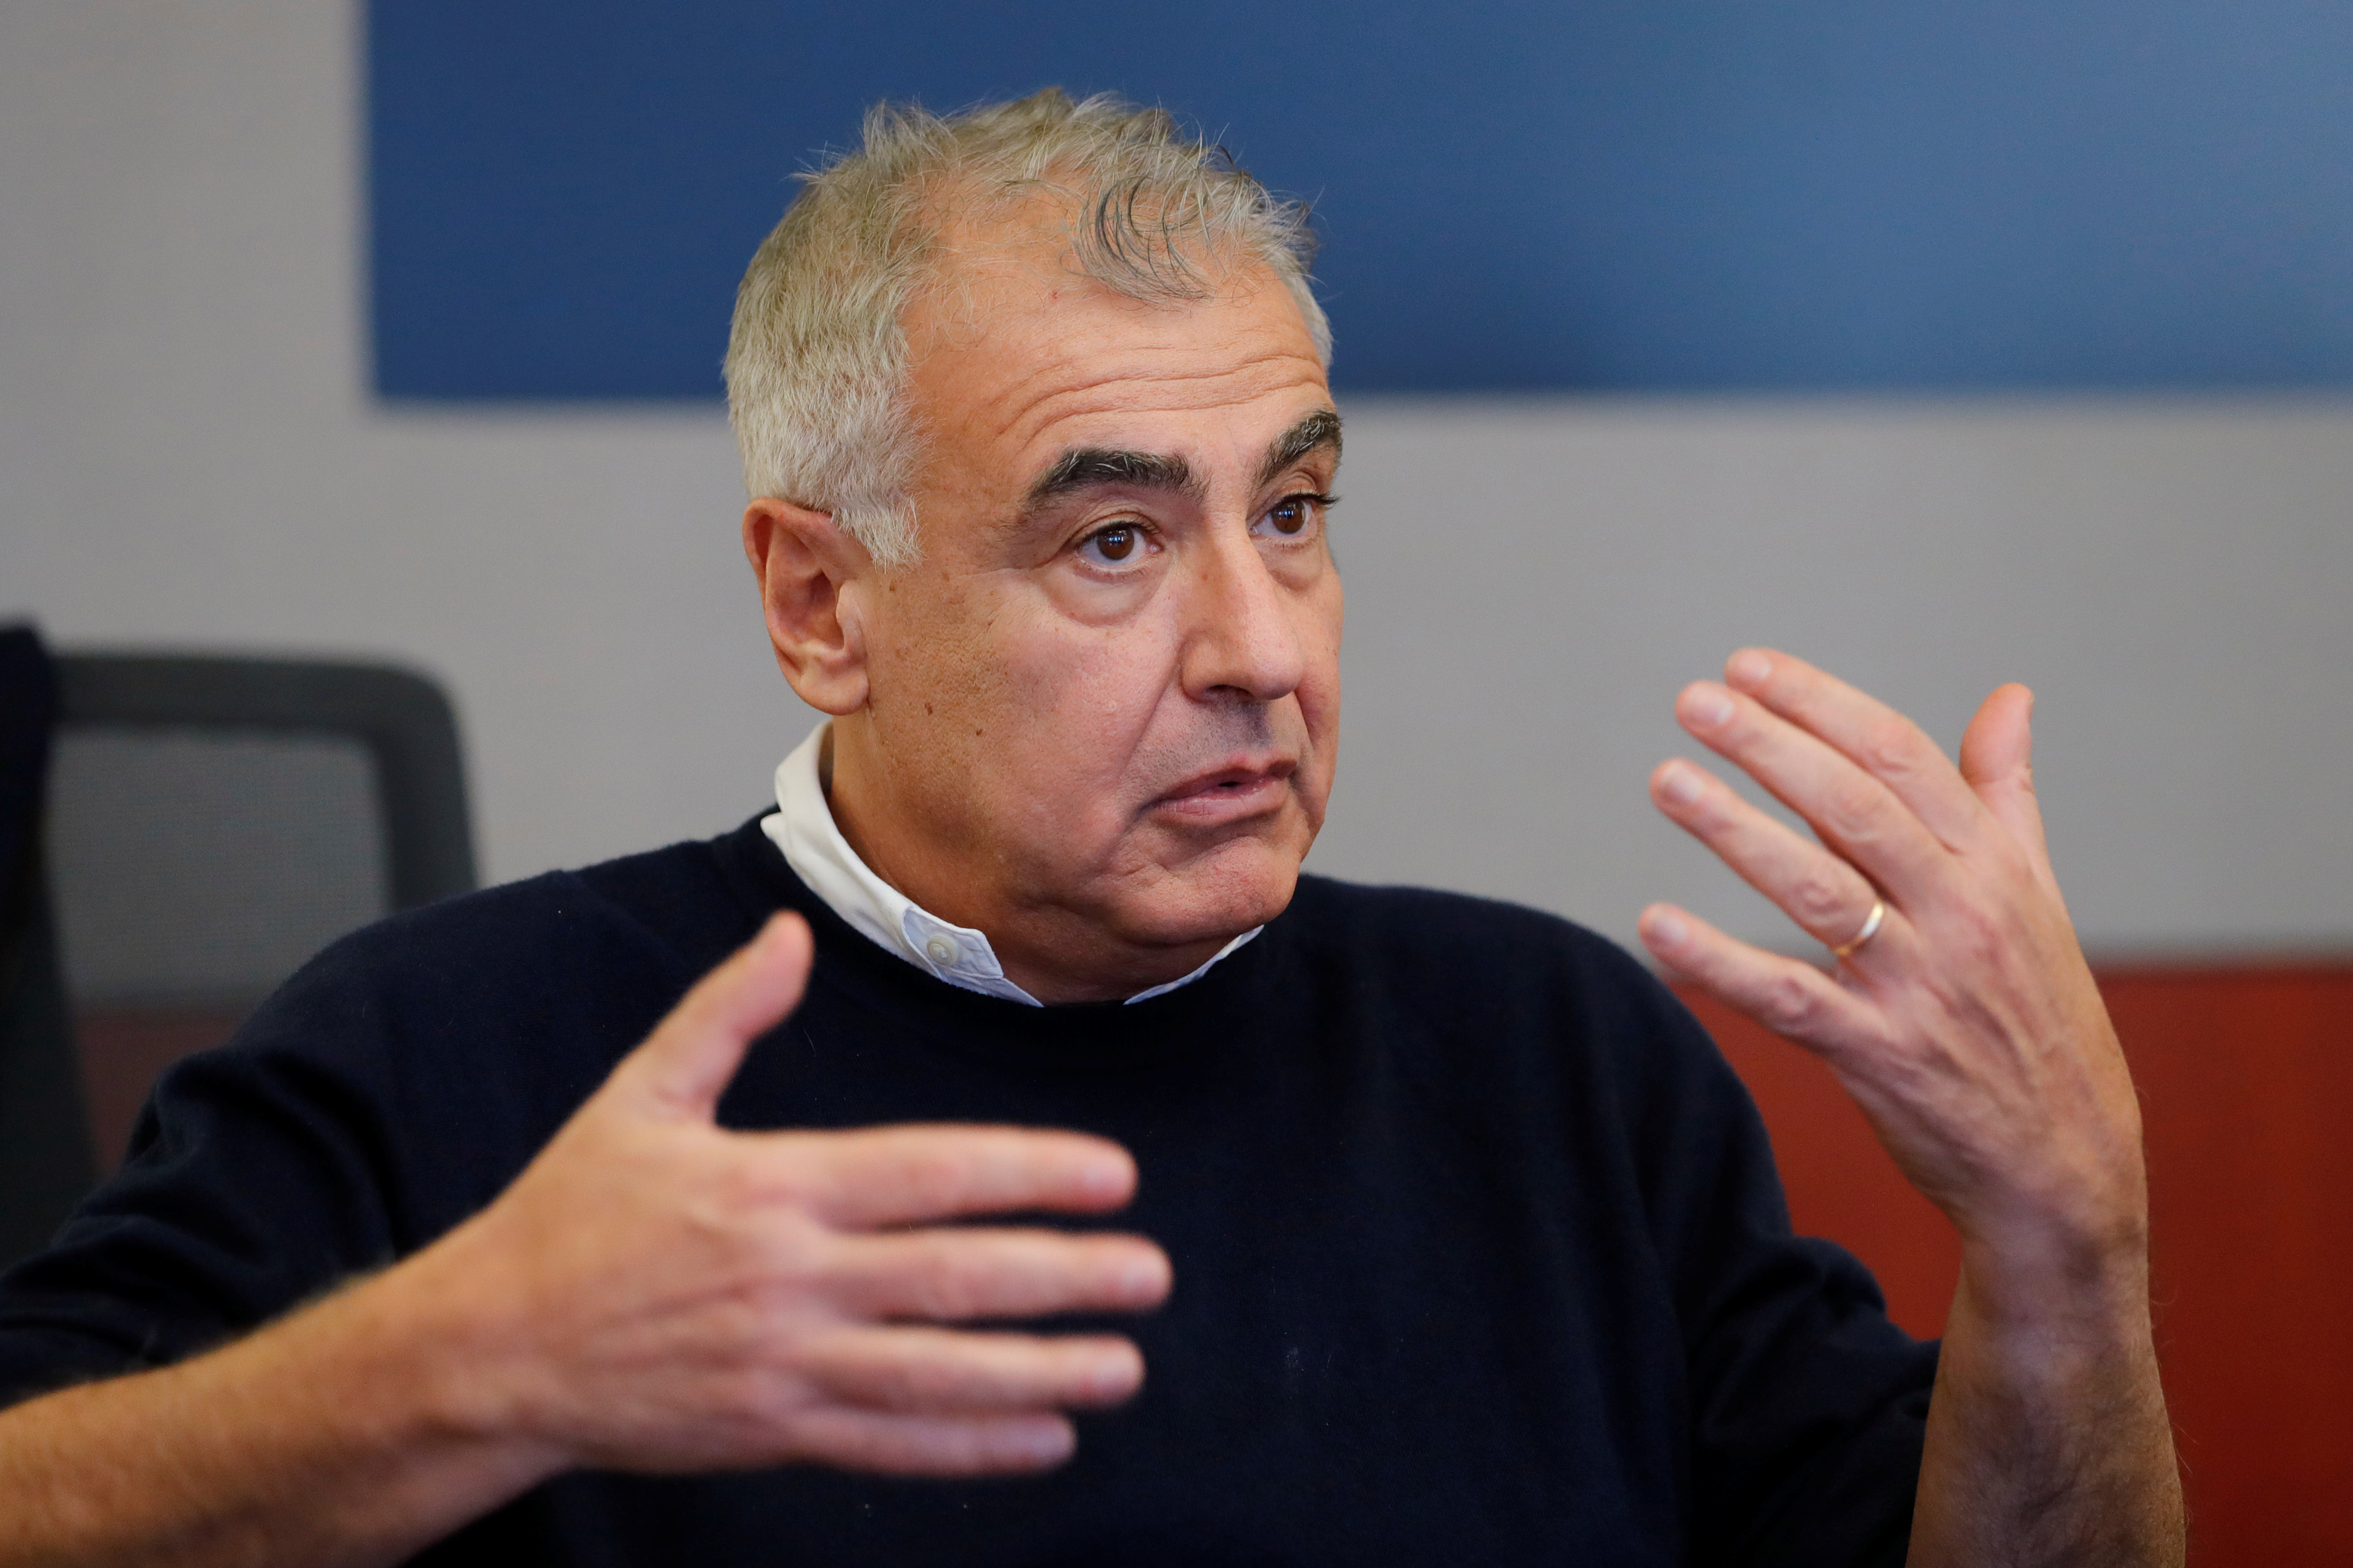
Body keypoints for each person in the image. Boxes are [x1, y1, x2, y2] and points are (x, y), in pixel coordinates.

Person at [0, 91, 2179, 1565]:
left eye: (1295, 512)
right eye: (1118, 541)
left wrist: (2070, 1252)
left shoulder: (1556, 1058)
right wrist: (462, 1363)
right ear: (820, 601)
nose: (1262, 643)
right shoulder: (465, 1047)